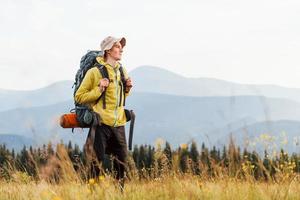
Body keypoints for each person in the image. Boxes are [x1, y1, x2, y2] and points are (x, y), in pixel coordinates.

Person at [74, 36, 133, 189]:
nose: (121, 49)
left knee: (122, 166)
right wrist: (99, 89)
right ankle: (92, 195)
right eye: (117, 46)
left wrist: (127, 89)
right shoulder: (95, 72)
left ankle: (119, 195)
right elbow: (79, 97)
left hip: (118, 124)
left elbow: (120, 98)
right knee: (95, 165)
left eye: (121, 47)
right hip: (100, 124)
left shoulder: (122, 70)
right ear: (107, 50)